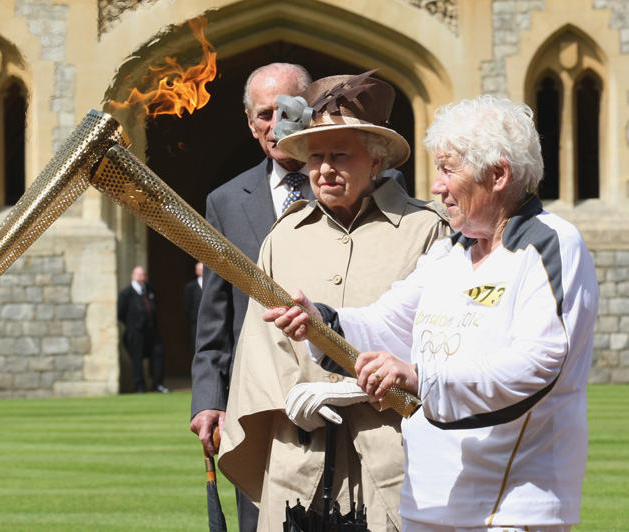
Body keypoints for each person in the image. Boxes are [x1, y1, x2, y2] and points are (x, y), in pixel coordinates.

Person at [269, 96, 598, 532]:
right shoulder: (451, 252)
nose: (437, 187)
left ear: (498, 175)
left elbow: (538, 365)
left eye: (448, 169)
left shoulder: (552, 243)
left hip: (511, 507)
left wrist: (421, 378)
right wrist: (324, 322)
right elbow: (388, 324)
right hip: (427, 501)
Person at [217, 71, 450, 532]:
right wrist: (290, 399)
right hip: (299, 458)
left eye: (340, 155)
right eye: (315, 156)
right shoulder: (282, 238)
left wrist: (349, 389)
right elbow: (259, 351)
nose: (323, 170)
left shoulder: (429, 230)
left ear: (377, 160)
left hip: (393, 456)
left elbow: (439, 344)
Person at [189, 62, 313, 531]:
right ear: (249, 122)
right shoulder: (225, 201)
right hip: (257, 403)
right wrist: (207, 398)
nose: (276, 125)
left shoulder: (355, 186)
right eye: (264, 114)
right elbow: (215, 317)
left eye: (288, 110)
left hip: (337, 392)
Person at [118, 265, 168, 393]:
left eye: (143, 275)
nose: (142, 277)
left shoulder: (150, 289)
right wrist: (133, 324)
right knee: (137, 359)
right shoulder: (126, 293)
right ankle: (139, 386)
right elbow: (120, 313)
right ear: (133, 276)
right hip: (135, 332)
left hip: (152, 331)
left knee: (158, 354)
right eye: (139, 275)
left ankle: (157, 384)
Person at [182, 262, 203, 352]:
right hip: (195, 322)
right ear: (196, 271)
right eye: (200, 269)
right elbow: (187, 305)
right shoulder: (190, 286)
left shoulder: (212, 285)